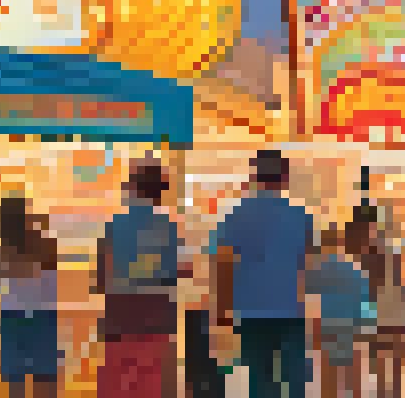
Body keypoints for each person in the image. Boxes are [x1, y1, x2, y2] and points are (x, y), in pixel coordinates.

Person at [210, 148, 316, 398]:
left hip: (250, 311)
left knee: (259, 382)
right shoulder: (301, 216)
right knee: (294, 382)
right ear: (285, 177)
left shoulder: (235, 215)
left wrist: (223, 309)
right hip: (291, 310)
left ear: (255, 176)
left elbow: (224, 265)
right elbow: (309, 268)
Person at [100, 160, 185, 398]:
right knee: (152, 377)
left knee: (117, 376)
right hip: (156, 308)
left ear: (134, 188)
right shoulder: (168, 227)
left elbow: (101, 276)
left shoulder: (114, 224)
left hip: (119, 307)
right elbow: (173, 272)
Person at [0, 194, 65, 398]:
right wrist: (41, 226)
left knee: (16, 385)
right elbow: (52, 272)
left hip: (13, 318)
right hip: (43, 317)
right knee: (46, 382)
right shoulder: (45, 244)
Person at [306, 220, 373, 398]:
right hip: (350, 326)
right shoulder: (354, 266)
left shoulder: (318, 269)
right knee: (352, 372)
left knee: (328, 373)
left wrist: (313, 326)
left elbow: (311, 298)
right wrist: (365, 325)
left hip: (328, 325)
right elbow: (364, 298)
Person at [356, 204, 405, 398]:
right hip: (376, 314)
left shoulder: (384, 253)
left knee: (389, 366)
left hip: (389, 312)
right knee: (378, 366)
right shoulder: (369, 253)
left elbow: (398, 287)